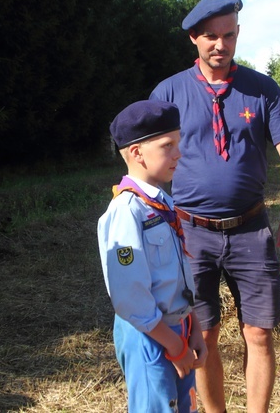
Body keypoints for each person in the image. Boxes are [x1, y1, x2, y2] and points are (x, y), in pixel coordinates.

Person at [150, 0, 280, 412]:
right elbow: (146, 156)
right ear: (193, 38)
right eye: (210, 37)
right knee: (203, 333)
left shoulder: (262, 89)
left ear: (238, 34)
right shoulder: (169, 93)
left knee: (259, 334)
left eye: (229, 35)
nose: (220, 45)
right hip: (190, 234)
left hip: (251, 231)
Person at [97, 99, 209, 412]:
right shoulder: (126, 212)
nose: (179, 153)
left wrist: (194, 327)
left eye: (179, 142)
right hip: (150, 336)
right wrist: (174, 346)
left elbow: (178, 275)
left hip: (179, 329)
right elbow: (129, 296)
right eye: (168, 145)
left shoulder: (164, 205)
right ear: (137, 153)